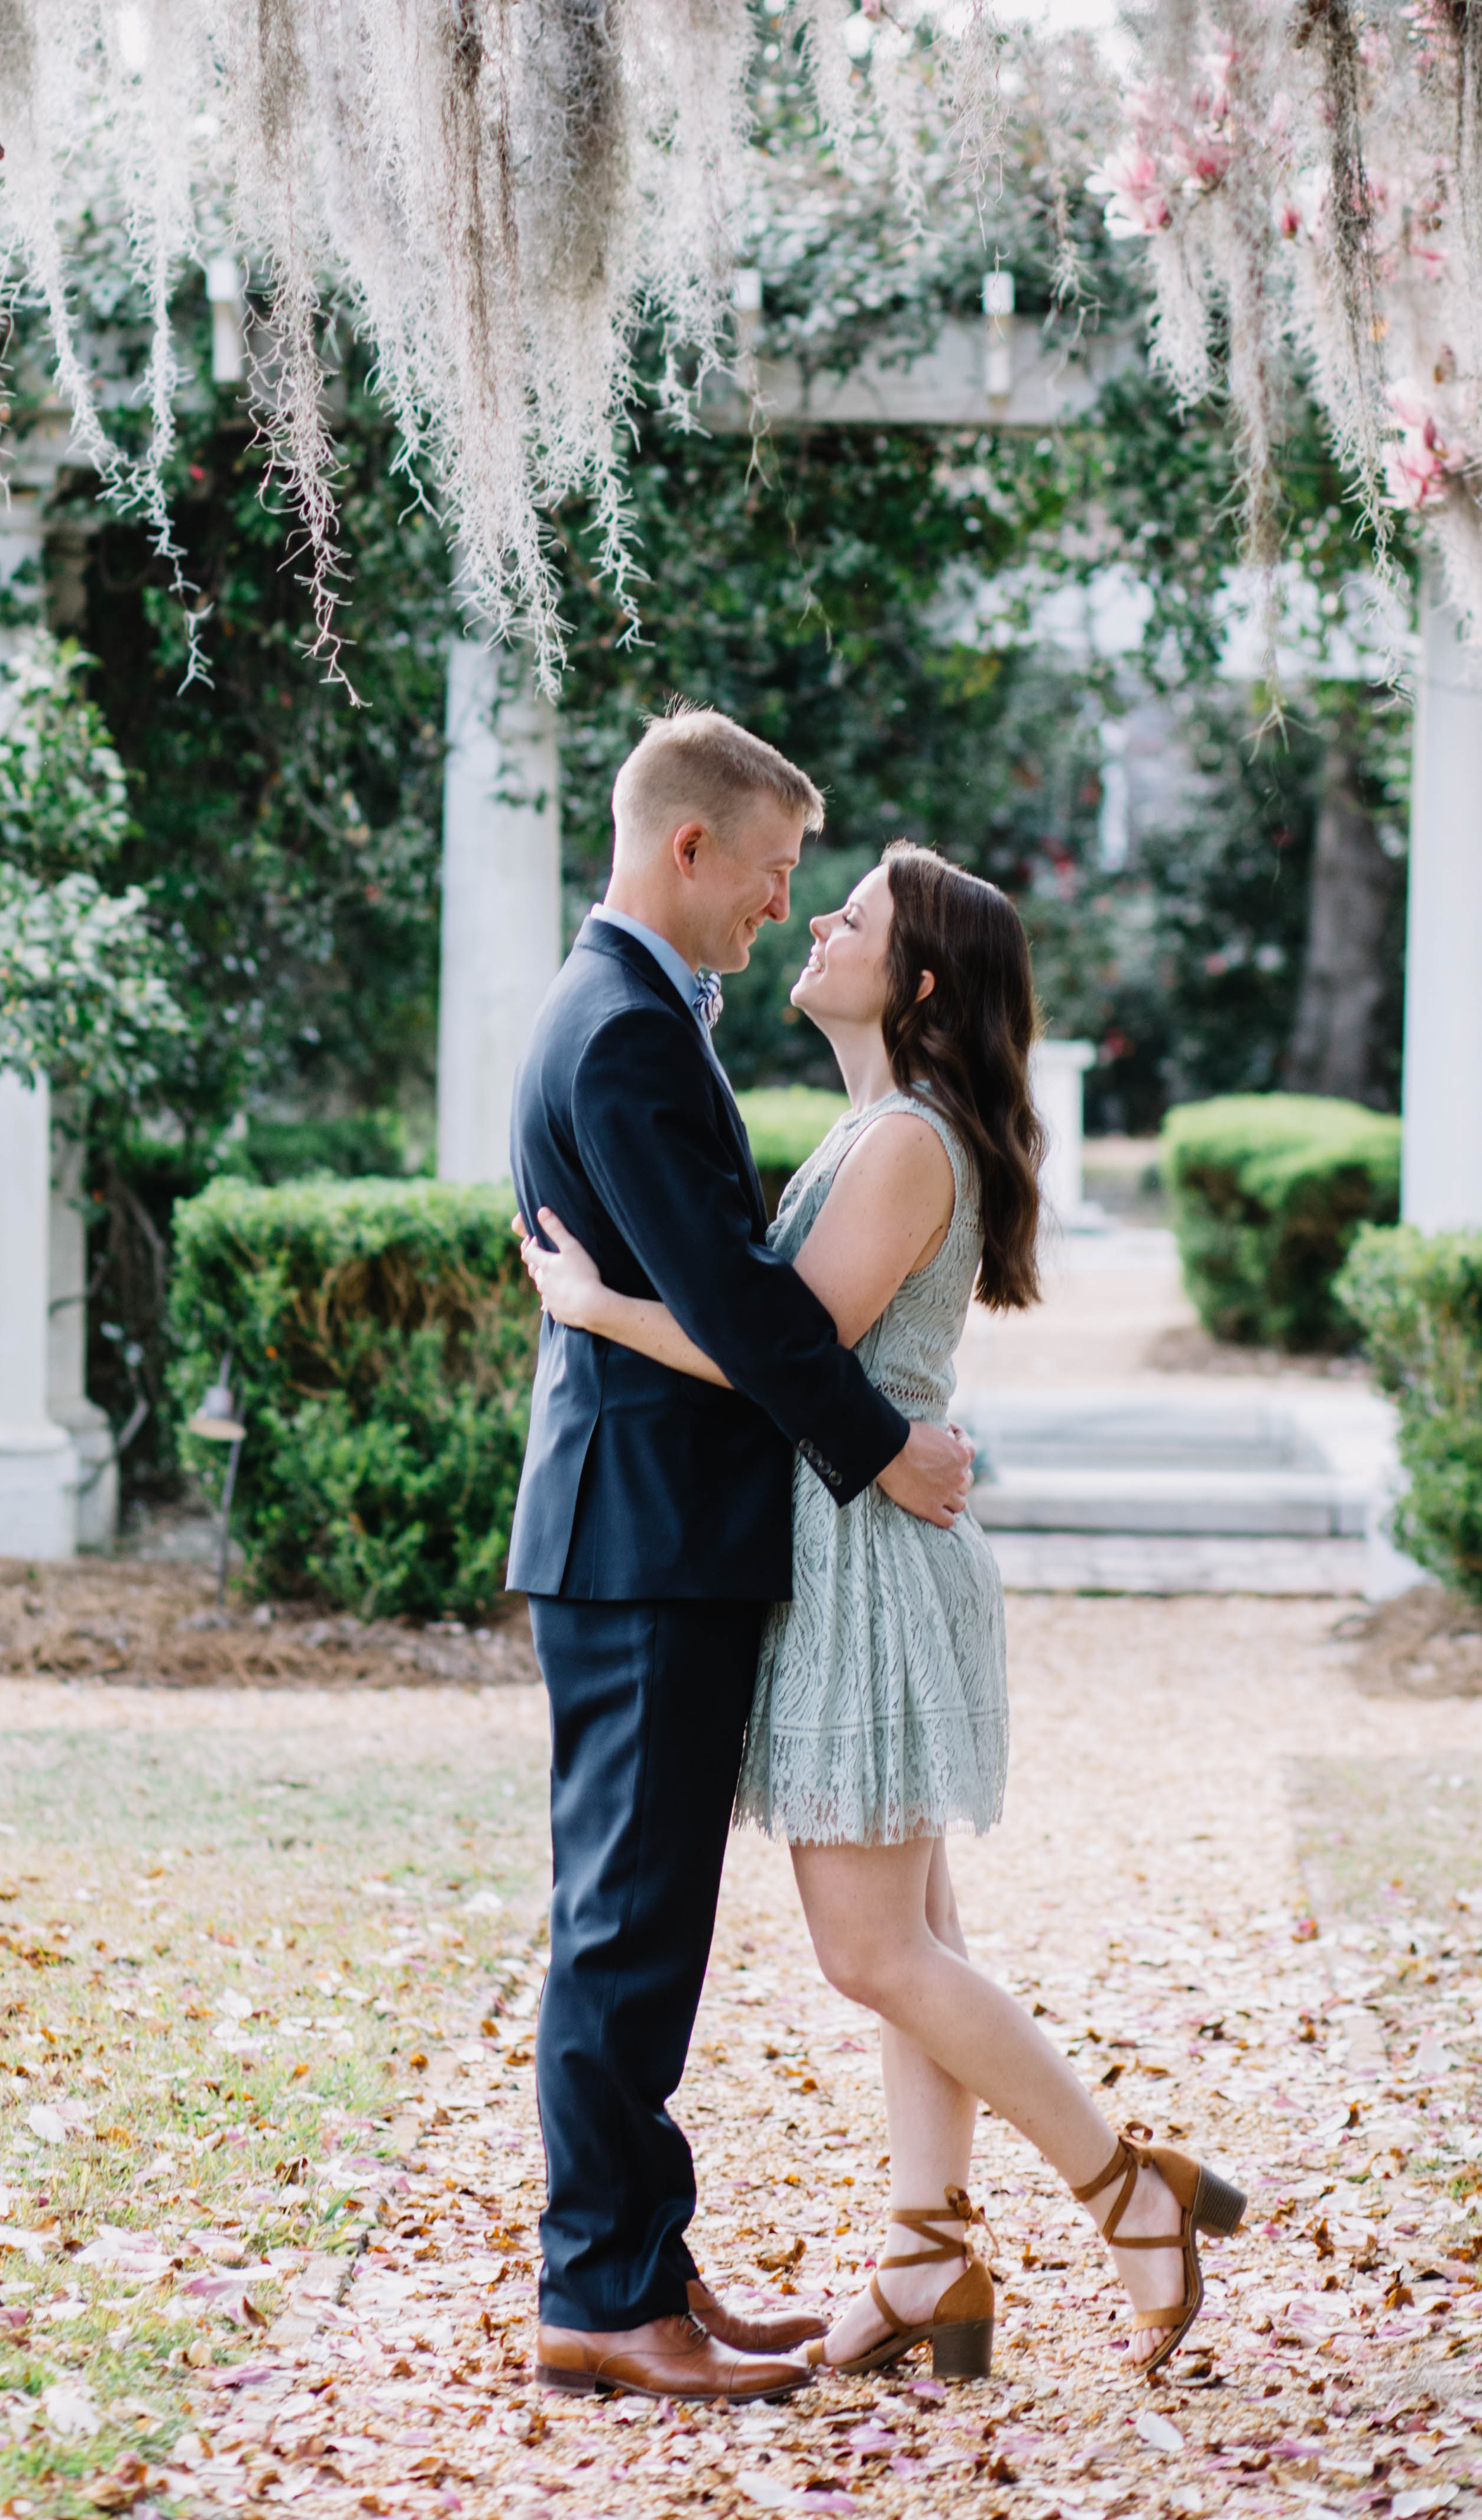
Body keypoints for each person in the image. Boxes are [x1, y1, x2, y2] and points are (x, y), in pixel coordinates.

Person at [522, 841, 1245, 2386]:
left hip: (870, 1555)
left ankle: (1131, 2191)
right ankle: (926, 2258)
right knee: (919, 1938)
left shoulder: (907, 1140)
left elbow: (783, 1346)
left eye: (853, 913)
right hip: (859, 1538)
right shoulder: (878, 1130)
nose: (818, 920)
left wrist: (595, 1312)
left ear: (915, 984)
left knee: (873, 1953)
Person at [505, 710, 982, 2405]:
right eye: (776, 875)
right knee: (625, 1928)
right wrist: (884, 1452)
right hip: (642, 1549)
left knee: (642, 1922)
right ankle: (603, 2295)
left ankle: (648, 2271)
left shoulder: (640, 1015)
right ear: (688, 850)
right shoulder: (626, 1029)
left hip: (653, 1541)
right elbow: (738, 1306)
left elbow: (708, 1297)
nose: (784, 909)